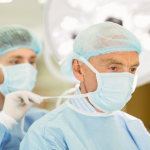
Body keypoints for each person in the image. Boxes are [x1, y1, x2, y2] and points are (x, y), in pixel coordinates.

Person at [20, 22, 150, 150]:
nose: (125, 78)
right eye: (113, 67)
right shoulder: (48, 134)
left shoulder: (133, 128)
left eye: (132, 69)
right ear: (78, 69)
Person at [0, 25, 48, 150]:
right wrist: (5, 121)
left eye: (32, 62)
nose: (27, 69)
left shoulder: (42, 118)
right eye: (15, 62)